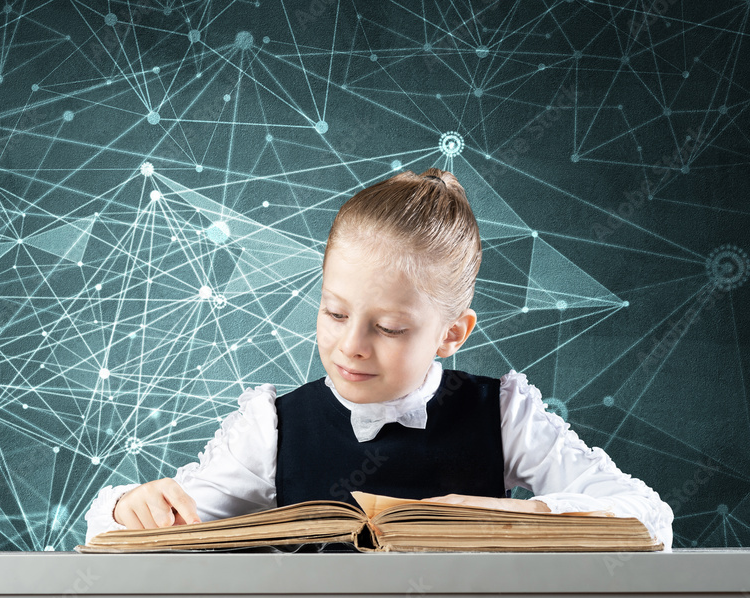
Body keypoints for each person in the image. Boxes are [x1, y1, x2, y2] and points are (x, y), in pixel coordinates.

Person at [84, 168, 674, 550]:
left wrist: (521, 517)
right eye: (335, 313)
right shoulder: (270, 428)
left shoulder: (502, 414)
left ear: (452, 333)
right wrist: (129, 506)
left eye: (389, 327)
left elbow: (648, 518)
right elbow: (129, 534)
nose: (352, 346)